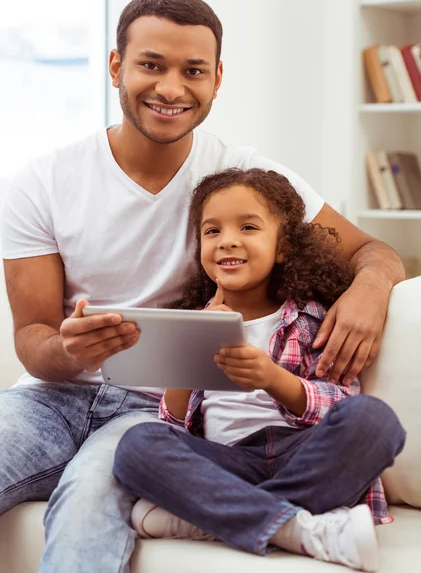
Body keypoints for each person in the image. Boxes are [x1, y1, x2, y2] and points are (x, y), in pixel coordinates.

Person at [0, 0, 404, 573]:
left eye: (192, 71)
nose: (170, 88)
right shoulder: (42, 181)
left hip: (154, 414)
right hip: (50, 399)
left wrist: (370, 289)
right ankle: (288, 525)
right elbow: (34, 342)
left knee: (91, 501)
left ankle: (237, 515)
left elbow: (375, 252)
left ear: (217, 79)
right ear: (117, 66)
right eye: (150, 65)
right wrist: (67, 347)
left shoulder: (244, 178)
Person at [113, 168, 406, 572]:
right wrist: (192, 354)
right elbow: (172, 424)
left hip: (302, 455)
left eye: (248, 227)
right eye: (212, 231)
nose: (227, 240)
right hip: (227, 461)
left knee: (375, 422)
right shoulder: (192, 323)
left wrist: (274, 380)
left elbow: (340, 402)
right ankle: (298, 527)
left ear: (283, 247)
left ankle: (218, 517)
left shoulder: (311, 318)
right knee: (136, 445)